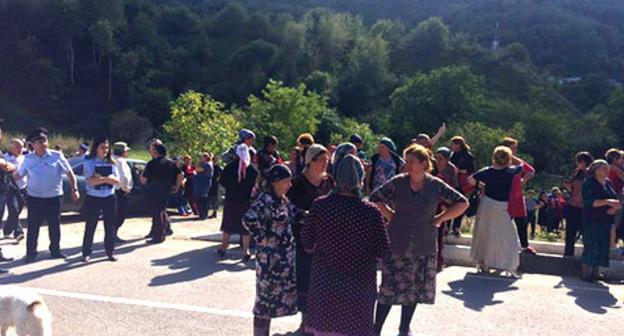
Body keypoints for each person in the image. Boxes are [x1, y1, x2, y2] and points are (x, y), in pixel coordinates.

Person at [370, 144, 468, 336]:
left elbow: (462, 202)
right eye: (406, 161)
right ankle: (376, 330)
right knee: (389, 289)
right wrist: (389, 215)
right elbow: (375, 197)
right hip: (398, 243)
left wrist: (440, 219)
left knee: (414, 290)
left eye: (411, 162)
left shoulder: (435, 185)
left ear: (424, 164)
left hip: (424, 245)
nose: (407, 165)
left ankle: (404, 328)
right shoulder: (398, 182)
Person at [302, 154, 389, 336]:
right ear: (360, 178)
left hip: (325, 282)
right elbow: (383, 250)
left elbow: (307, 242)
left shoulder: (320, 206)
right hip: (358, 286)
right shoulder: (370, 211)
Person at [242, 164, 299, 336]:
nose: (289, 185)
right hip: (269, 262)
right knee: (264, 302)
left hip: (283, 260)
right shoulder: (265, 200)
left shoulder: (282, 200)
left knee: (274, 300)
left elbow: (297, 213)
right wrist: (263, 238)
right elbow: (248, 219)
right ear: (275, 182)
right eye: (286, 181)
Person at [286, 144, 335, 331]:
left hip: (326, 239)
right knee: (305, 280)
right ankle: (305, 323)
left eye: (327, 160)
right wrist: (304, 215)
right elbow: (287, 206)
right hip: (302, 239)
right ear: (310, 161)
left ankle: (318, 323)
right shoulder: (297, 182)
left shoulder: (329, 182)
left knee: (323, 281)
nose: (325, 163)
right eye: (322, 160)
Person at [16, 127, 80, 262]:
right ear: (33, 145)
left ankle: (55, 250)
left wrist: (75, 189)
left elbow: (69, 173)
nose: (43, 143)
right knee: (33, 226)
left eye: (44, 140)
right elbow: (19, 175)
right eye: (39, 141)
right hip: (34, 198)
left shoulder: (57, 156)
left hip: (54, 197)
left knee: (54, 225)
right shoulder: (28, 158)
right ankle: (31, 252)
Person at [469, 146, 523, 277]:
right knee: (508, 236)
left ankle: (482, 262)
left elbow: (470, 180)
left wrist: (482, 186)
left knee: (484, 232)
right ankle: (509, 265)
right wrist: (513, 156)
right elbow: (526, 167)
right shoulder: (512, 171)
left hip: (487, 203)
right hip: (502, 205)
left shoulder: (487, 171)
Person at [580, 160, 621, 282]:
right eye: (603, 168)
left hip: (606, 219)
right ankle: (585, 273)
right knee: (590, 245)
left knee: (602, 246)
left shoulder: (608, 182)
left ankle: (596, 272)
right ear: (595, 169)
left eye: (607, 168)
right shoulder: (589, 182)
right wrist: (607, 202)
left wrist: (614, 208)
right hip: (592, 219)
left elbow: (614, 198)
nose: (606, 171)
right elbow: (588, 202)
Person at [81, 137, 120, 262]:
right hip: (93, 197)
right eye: (102, 147)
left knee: (110, 226)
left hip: (109, 197)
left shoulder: (112, 162)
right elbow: (90, 181)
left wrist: (102, 178)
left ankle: (110, 252)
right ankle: (86, 252)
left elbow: (117, 181)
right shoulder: (89, 162)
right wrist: (105, 179)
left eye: (107, 147)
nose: (105, 150)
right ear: (96, 148)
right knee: (90, 225)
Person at [218, 148, 258, 261]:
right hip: (245, 200)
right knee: (245, 227)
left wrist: (231, 188)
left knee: (228, 225)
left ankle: (223, 248)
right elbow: (255, 185)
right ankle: (246, 251)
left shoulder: (229, 167)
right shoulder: (251, 169)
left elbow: (221, 181)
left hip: (231, 199)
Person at [140, 143, 183, 244]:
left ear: (156, 152)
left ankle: (158, 236)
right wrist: (177, 186)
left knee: (157, 213)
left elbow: (143, 179)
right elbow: (180, 175)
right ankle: (163, 231)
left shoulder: (152, 163)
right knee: (162, 211)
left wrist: (142, 181)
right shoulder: (171, 163)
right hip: (166, 190)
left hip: (154, 190)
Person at [501, 137, 536, 254]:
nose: (515, 150)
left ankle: (525, 246)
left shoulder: (517, 161)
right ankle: (502, 245)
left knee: (522, 221)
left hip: (517, 196)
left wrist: (523, 180)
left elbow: (531, 171)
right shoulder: (500, 160)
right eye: (513, 148)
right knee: (503, 223)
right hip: (505, 197)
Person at [433, 147, 460, 271]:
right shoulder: (432, 167)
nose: (438, 161)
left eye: (441, 158)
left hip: (443, 205)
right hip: (429, 203)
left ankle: (438, 262)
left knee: (439, 234)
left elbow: (452, 189)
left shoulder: (451, 170)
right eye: (436, 158)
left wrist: (446, 204)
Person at [563, 152, 594, 256]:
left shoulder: (591, 175)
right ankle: (568, 254)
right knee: (570, 233)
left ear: (584, 162)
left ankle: (587, 257)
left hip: (584, 208)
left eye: (578, 162)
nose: (577, 164)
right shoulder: (576, 174)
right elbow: (569, 185)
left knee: (586, 234)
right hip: (573, 206)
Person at [449, 136, 476, 236]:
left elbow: (471, 171)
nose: (451, 146)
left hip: (463, 183)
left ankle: (456, 227)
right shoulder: (452, 155)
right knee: (449, 204)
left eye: (453, 144)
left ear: (458, 144)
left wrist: (460, 170)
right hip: (453, 182)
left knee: (460, 204)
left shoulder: (468, 156)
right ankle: (448, 226)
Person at [3, 138, 27, 242]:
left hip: (23, 187)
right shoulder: (5, 158)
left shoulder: (25, 157)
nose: (20, 149)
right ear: (11, 147)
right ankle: (19, 232)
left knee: (19, 208)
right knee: (14, 209)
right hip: (10, 188)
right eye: (18, 147)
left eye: (21, 146)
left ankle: (8, 229)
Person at [112, 142, 133, 243]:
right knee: (120, 214)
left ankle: (111, 234)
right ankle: (113, 234)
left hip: (111, 191)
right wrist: (126, 189)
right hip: (120, 191)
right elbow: (124, 177)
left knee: (113, 214)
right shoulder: (121, 162)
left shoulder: (110, 159)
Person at [605, 148, 624, 248]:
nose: (622, 160)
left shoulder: (607, 167)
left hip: (611, 195)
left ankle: (612, 242)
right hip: (615, 195)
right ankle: (611, 244)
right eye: (620, 158)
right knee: (614, 220)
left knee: (615, 221)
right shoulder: (611, 168)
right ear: (615, 158)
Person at [194, 153, 214, 220]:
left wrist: (195, 171)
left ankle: (202, 215)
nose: (200, 159)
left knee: (201, 199)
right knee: (202, 198)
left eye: (201, 157)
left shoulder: (207, 164)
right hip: (202, 183)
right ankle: (203, 214)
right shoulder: (207, 164)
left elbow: (197, 170)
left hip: (203, 183)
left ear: (205, 158)